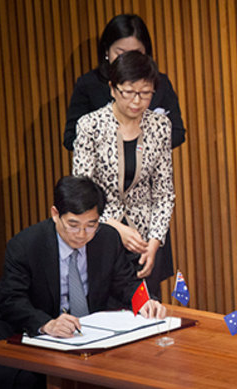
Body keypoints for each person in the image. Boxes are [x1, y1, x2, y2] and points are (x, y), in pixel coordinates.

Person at [0, 176, 166, 389]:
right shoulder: (26, 246)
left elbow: (126, 282)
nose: (82, 235)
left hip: (90, 337)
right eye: (73, 225)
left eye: (91, 225)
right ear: (55, 214)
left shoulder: (107, 238)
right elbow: (11, 300)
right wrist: (47, 324)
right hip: (39, 336)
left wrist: (144, 301)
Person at [73, 51, 175, 298]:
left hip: (145, 242)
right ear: (113, 88)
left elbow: (164, 193)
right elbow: (82, 192)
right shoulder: (90, 126)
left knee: (147, 312)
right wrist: (116, 227)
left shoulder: (160, 126)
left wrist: (154, 243)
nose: (137, 101)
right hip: (102, 236)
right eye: (129, 92)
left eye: (145, 93)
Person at [64, 13, 185, 150]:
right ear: (106, 51)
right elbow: (71, 138)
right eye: (120, 53)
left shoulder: (160, 82)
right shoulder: (89, 84)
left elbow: (177, 133)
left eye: (136, 53)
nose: (128, 60)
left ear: (146, 52)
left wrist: (143, 143)